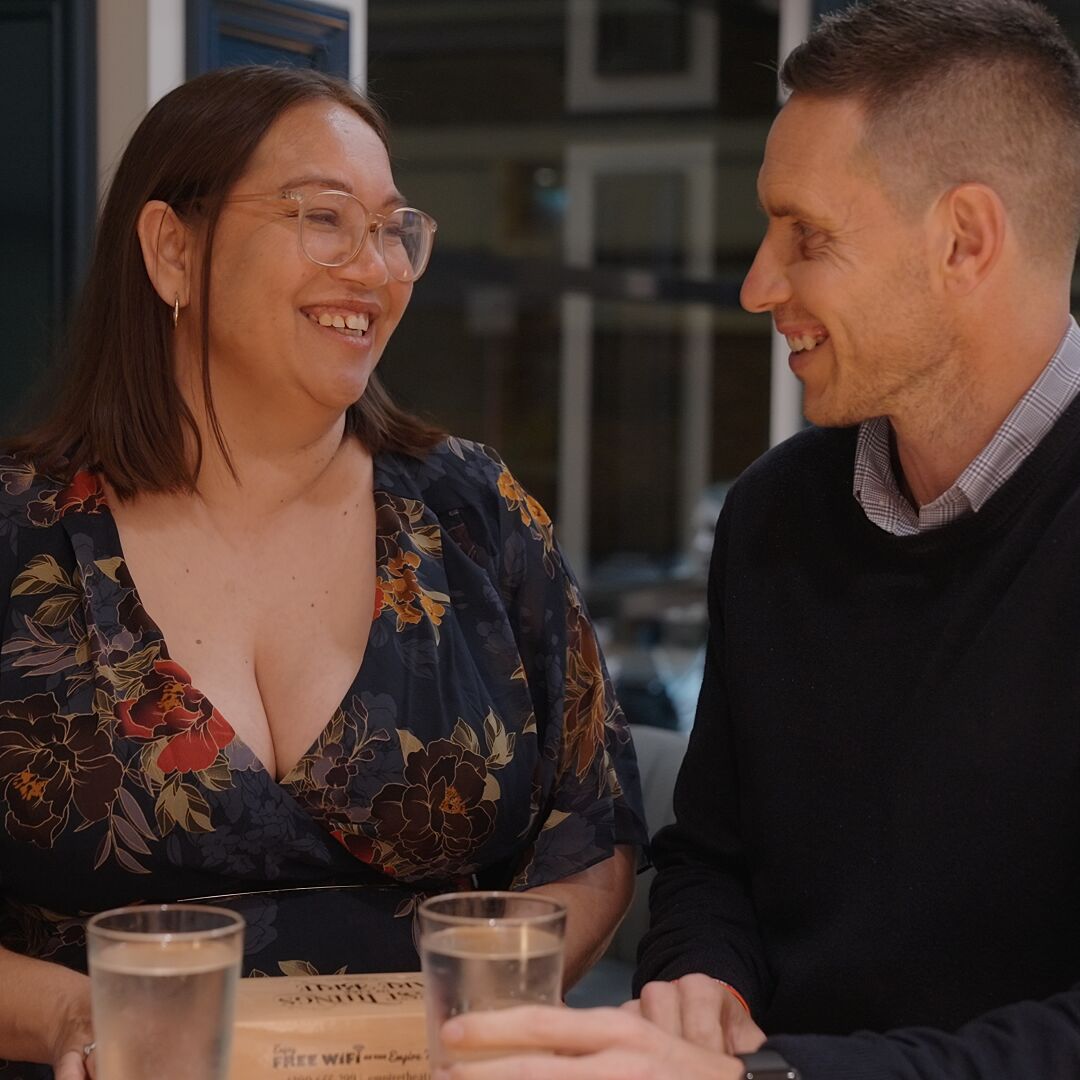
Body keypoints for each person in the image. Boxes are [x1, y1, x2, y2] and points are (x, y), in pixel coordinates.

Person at [432, 1, 1080, 1078]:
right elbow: (713, 858)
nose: (756, 287)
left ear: (965, 239)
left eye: (807, 235)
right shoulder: (774, 514)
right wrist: (699, 977)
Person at [0, 65, 647, 1080]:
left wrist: (488, 1028)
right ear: (172, 251)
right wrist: (83, 1020)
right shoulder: (14, 536)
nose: (374, 265)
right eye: (323, 216)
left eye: (394, 229)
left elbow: (593, 837)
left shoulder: (473, 509)